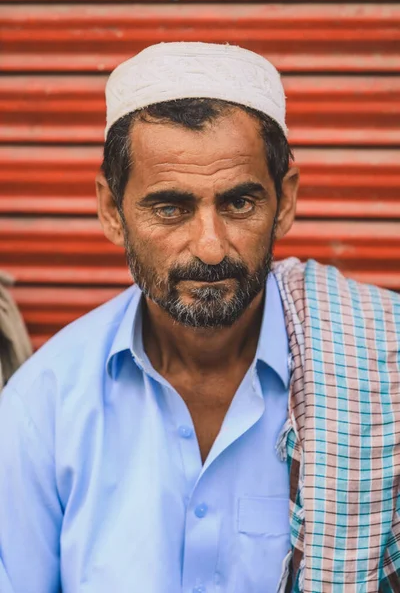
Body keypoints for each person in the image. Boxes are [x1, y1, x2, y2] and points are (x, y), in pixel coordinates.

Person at [0, 42, 398, 593]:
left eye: (239, 204)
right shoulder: (42, 408)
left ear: (284, 202)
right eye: (171, 207)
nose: (211, 247)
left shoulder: (379, 375)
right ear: (112, 211)